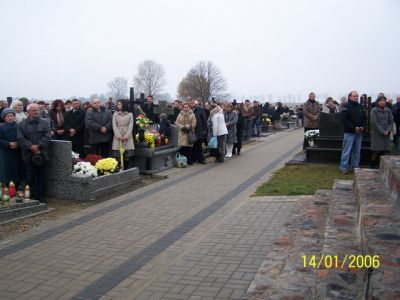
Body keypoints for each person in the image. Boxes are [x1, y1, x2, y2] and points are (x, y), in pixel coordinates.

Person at [17, 104, 51, 202]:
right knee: (30, 177)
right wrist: (30, 146)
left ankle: (41, 196)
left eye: (37, 110)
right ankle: (32, 196)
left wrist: (38, 146)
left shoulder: (45, 123)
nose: (36, 112)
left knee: (42, 176)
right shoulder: (22, 124)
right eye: (34, 110)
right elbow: (20, 138)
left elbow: (48, 135)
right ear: (28, 112)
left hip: (42, 153)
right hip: (28, 154)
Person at [339, 91, 366, 174]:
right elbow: (345, 120)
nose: (356, 97)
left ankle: (355, 166)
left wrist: (362, 127)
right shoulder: (345, 106)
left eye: (357, 96)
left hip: (359, 132)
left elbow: (364, 119)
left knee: (357, 151)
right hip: (349, 132)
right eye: (354, 96)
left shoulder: (361, 107)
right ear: (350, 97)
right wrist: (354, 128)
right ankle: (344, 167)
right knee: (347, 151)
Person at [0, 108, 24, 188]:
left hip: (17, 151)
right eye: (8, 116)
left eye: (12, 116)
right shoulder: (1, 127)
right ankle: (8, 188)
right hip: (6, 152)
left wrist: (18, 143)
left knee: (17, 170)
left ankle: (17, 187)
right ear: (4, 118)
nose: (10, 117)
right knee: (7, 171)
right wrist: (8, 144)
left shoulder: (19, 126)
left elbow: (24, 136)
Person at [370, 95, 394, 168]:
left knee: (385, 151)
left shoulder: (388, 110)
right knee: (376, 151)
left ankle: (383, 166)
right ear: (377, 102)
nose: (382, 102)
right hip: (377, 134)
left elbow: (391, 121)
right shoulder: (374, 110)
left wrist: (388, 130)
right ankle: (373, 165)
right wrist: (382, 131)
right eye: (381, 101)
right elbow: (374, 122)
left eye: (384, 101)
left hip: (387, 134)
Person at [112, 100, 134, 169]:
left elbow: (131, 125)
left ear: (123, 105)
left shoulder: (130, 114)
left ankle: (127, 170)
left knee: (127, 156)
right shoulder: (115, 114)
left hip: (127, 136)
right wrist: (118, 136)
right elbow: (114, 125)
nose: (118, 105)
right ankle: (119, 170)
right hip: (117, 136)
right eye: (117, 104)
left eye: (119, 104)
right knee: (118, 156)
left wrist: (126, 136)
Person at [189, 99, 207, 164]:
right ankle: (193, 159)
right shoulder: (188, 110)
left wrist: (204, 130)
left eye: (192, 103)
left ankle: (201, 159)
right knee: (192, 146)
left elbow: (204, 121)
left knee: (200, 146)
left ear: (194, 103)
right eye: (190, 103)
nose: (191, 104)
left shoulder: (200, 110)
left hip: (199, 130)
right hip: (191, 131)